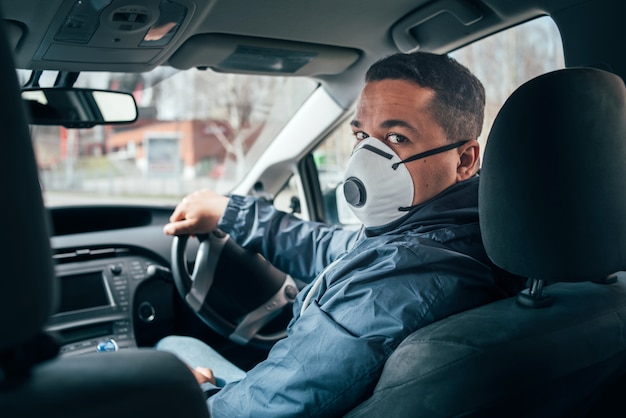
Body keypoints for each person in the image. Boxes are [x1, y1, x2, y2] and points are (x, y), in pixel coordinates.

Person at [157, 51, 524, 417]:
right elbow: (338, 248)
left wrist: (198, 393)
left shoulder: (403, 278)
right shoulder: (472, 231)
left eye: (396, 137)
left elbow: (270, 405)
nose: (367, 156)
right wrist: (233, 213)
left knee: (171, 348)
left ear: (464, 160)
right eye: (362, 135)